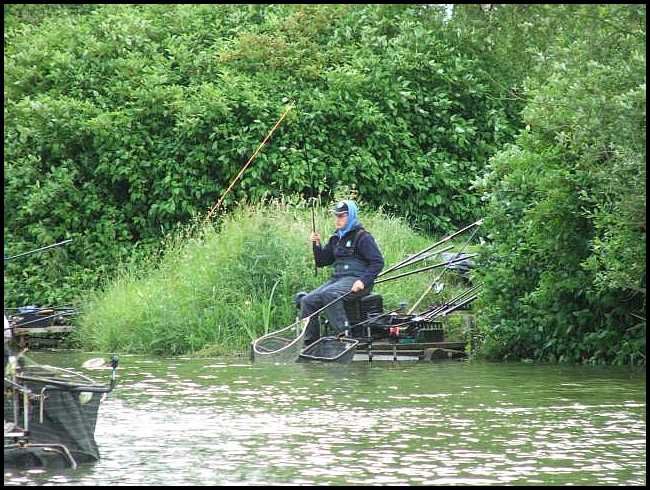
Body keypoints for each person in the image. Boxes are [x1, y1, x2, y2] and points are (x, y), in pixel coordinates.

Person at [300, 200, 384, 345]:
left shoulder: (363, 237)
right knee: (307, 301)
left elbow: (378, 262)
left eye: (342, 216)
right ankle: (310, 343)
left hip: (357, 281)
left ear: (351, 216)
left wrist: (363, 281)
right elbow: (322, 261)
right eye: (336, 216)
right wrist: (316, 244)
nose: (338, 220)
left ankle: (344, 336)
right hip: (337, 280)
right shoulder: (336, 237)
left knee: (330, 294)